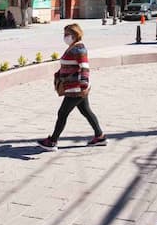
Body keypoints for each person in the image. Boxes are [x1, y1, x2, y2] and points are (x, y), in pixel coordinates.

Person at [37, 23, 106, 151]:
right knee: (86, 111)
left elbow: (84, 67)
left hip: (77, 88)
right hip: (74, 87)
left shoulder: (79, 49)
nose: (65, 37)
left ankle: (52, 141)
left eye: (67, 34)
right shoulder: (72, 47)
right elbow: (69, 64)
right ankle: (100, 136)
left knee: (62, 113)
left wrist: (83, 83)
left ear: (74, 35)